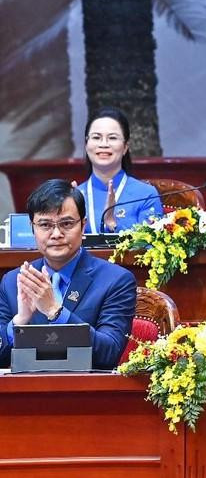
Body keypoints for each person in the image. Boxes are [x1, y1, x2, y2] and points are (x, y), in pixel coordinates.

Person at [0, 179, 136, 369]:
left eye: (66, 224)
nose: (56, 234)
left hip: (87, 393)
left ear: (83, 226)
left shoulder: (116, 280)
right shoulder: (13, 281)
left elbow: (109, 353)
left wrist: (56, 312)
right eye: (45, 225)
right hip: (25, 393)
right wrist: (19, 321)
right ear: (33, 228)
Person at [77, 107, 163, 233]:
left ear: (125, 147)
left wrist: (113, 224)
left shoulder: (146, 194)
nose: (104, 144)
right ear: (86, 144)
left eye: (112, 138)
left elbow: (152, 247)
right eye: (96, 137)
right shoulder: (74, 196)